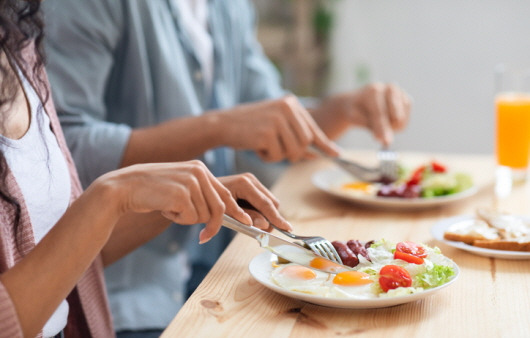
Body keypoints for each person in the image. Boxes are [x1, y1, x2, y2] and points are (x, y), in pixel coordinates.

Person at [42, 0, 412, 336]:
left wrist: (342, 110)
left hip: (226, 267)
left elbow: (267, 123)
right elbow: (64, 146)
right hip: (129, 299)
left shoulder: (227, 7)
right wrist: (217, 127)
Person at [0, 1, 291, 337]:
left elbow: (62, 252)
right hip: (136, 302)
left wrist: (179, 199)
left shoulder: (22, 48)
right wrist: (112, 197)